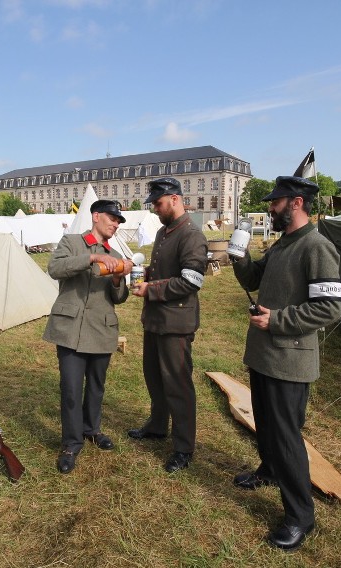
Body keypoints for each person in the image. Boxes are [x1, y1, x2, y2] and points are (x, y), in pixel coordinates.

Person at [230, 175, 341, 551]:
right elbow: (253, 277)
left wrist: (278, 321)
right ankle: (270, 469)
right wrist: (239, 255)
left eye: (275, 202)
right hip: (265, 355)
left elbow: (330, 308)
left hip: (290, 360)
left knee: (286, 436)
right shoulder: (283, 245)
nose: (270, 208)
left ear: (295, 203)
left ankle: (300, 516)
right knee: (265, 423)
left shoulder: (316, 247)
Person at [43, 200, 133, 474]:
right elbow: (55, 269)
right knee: (71, 388)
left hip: (101, 328)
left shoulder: (115, 253)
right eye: (112, 218)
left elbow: (118, 298)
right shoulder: (71, 242)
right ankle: (71, 442)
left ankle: (92, 429)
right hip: (70, 329)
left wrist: (118, 279)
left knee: (96, 386)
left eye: (119, 221)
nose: (116, 224)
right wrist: (92, 258)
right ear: (96, 216)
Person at [128, 178, 208, 473]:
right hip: (155, 321)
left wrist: (151, 288)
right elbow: (164, 269)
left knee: (178, 385)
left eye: (158, 204)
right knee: (154, 377)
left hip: (176, 323)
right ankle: (158, 425)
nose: (155, 209)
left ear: (175, 199)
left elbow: (191, 281)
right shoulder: (164, 232)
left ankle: (184, 447)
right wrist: (142, 272)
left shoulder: (192, 235)